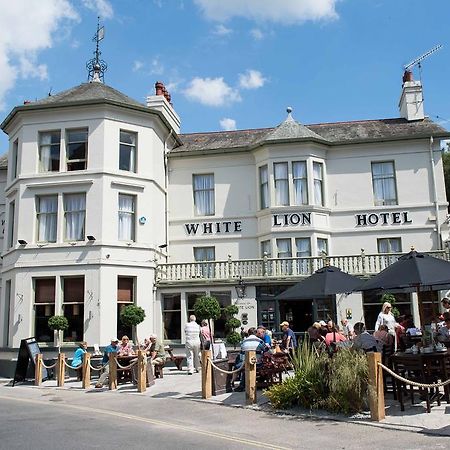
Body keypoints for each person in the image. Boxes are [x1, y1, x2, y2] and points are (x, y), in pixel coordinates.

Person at [234, 327, 268, 392]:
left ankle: (242, 385)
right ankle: (261, 381)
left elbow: (241, 355)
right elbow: (266, 350)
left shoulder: (244, 342)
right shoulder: (259, 341)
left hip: (245, 363)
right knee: (265, 366)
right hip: (257, 363)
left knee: (246, 368)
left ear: (248, 333)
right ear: (256, 333)